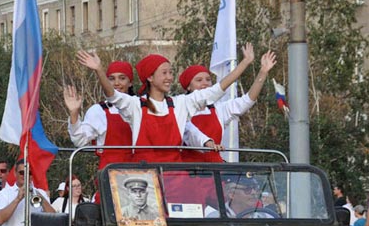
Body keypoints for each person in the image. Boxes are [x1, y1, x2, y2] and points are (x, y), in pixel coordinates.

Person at [77, 45, 254, 163]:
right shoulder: (136, 105)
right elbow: (113, 95)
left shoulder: (180, 104)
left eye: (171, 72)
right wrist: (99, 70)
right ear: (150, 77)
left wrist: (245, 63)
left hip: (174, 177)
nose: (169, 77)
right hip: (144, 177)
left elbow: (216, 90)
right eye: (164, 73)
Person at [179, 50, 277, 163]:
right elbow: (192, 133)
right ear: (188, 87)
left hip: (215, 169)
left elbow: (248, 100)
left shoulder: (219, 109)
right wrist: (207, 143)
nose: (205, 83)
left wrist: (263, 72)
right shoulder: (181, 109)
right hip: (188, 171)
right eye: (199, 80)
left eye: (208, 79)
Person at [65, 61, 135, 169]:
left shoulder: (140, 107)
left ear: (130, 82)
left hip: (141, 171)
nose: (116, 83)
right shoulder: (98, 111)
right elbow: (80, 140)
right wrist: (74, 113)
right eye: (111, 79)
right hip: (109, 173)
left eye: (122, 78)